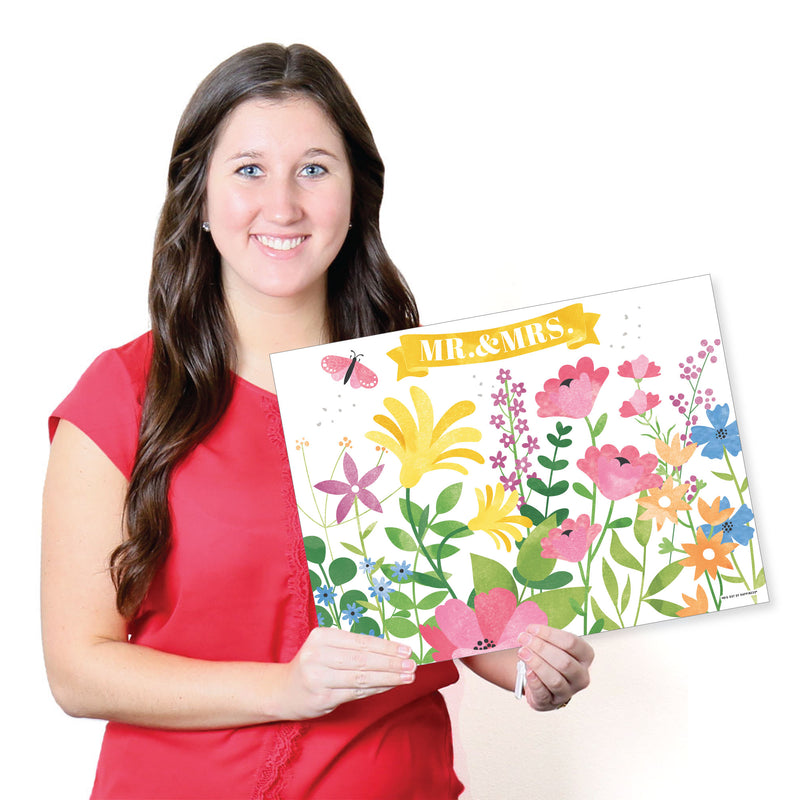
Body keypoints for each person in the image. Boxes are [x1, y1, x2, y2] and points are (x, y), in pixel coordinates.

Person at [41, 43, 594, 799]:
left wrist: (535, 664)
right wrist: (286, 688)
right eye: (248, 169)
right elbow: (77, 669)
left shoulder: (427, 392)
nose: (282, 206)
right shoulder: (122, 395)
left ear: (357, 193)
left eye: (313, 169)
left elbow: (457, 615)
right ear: (198, 197)